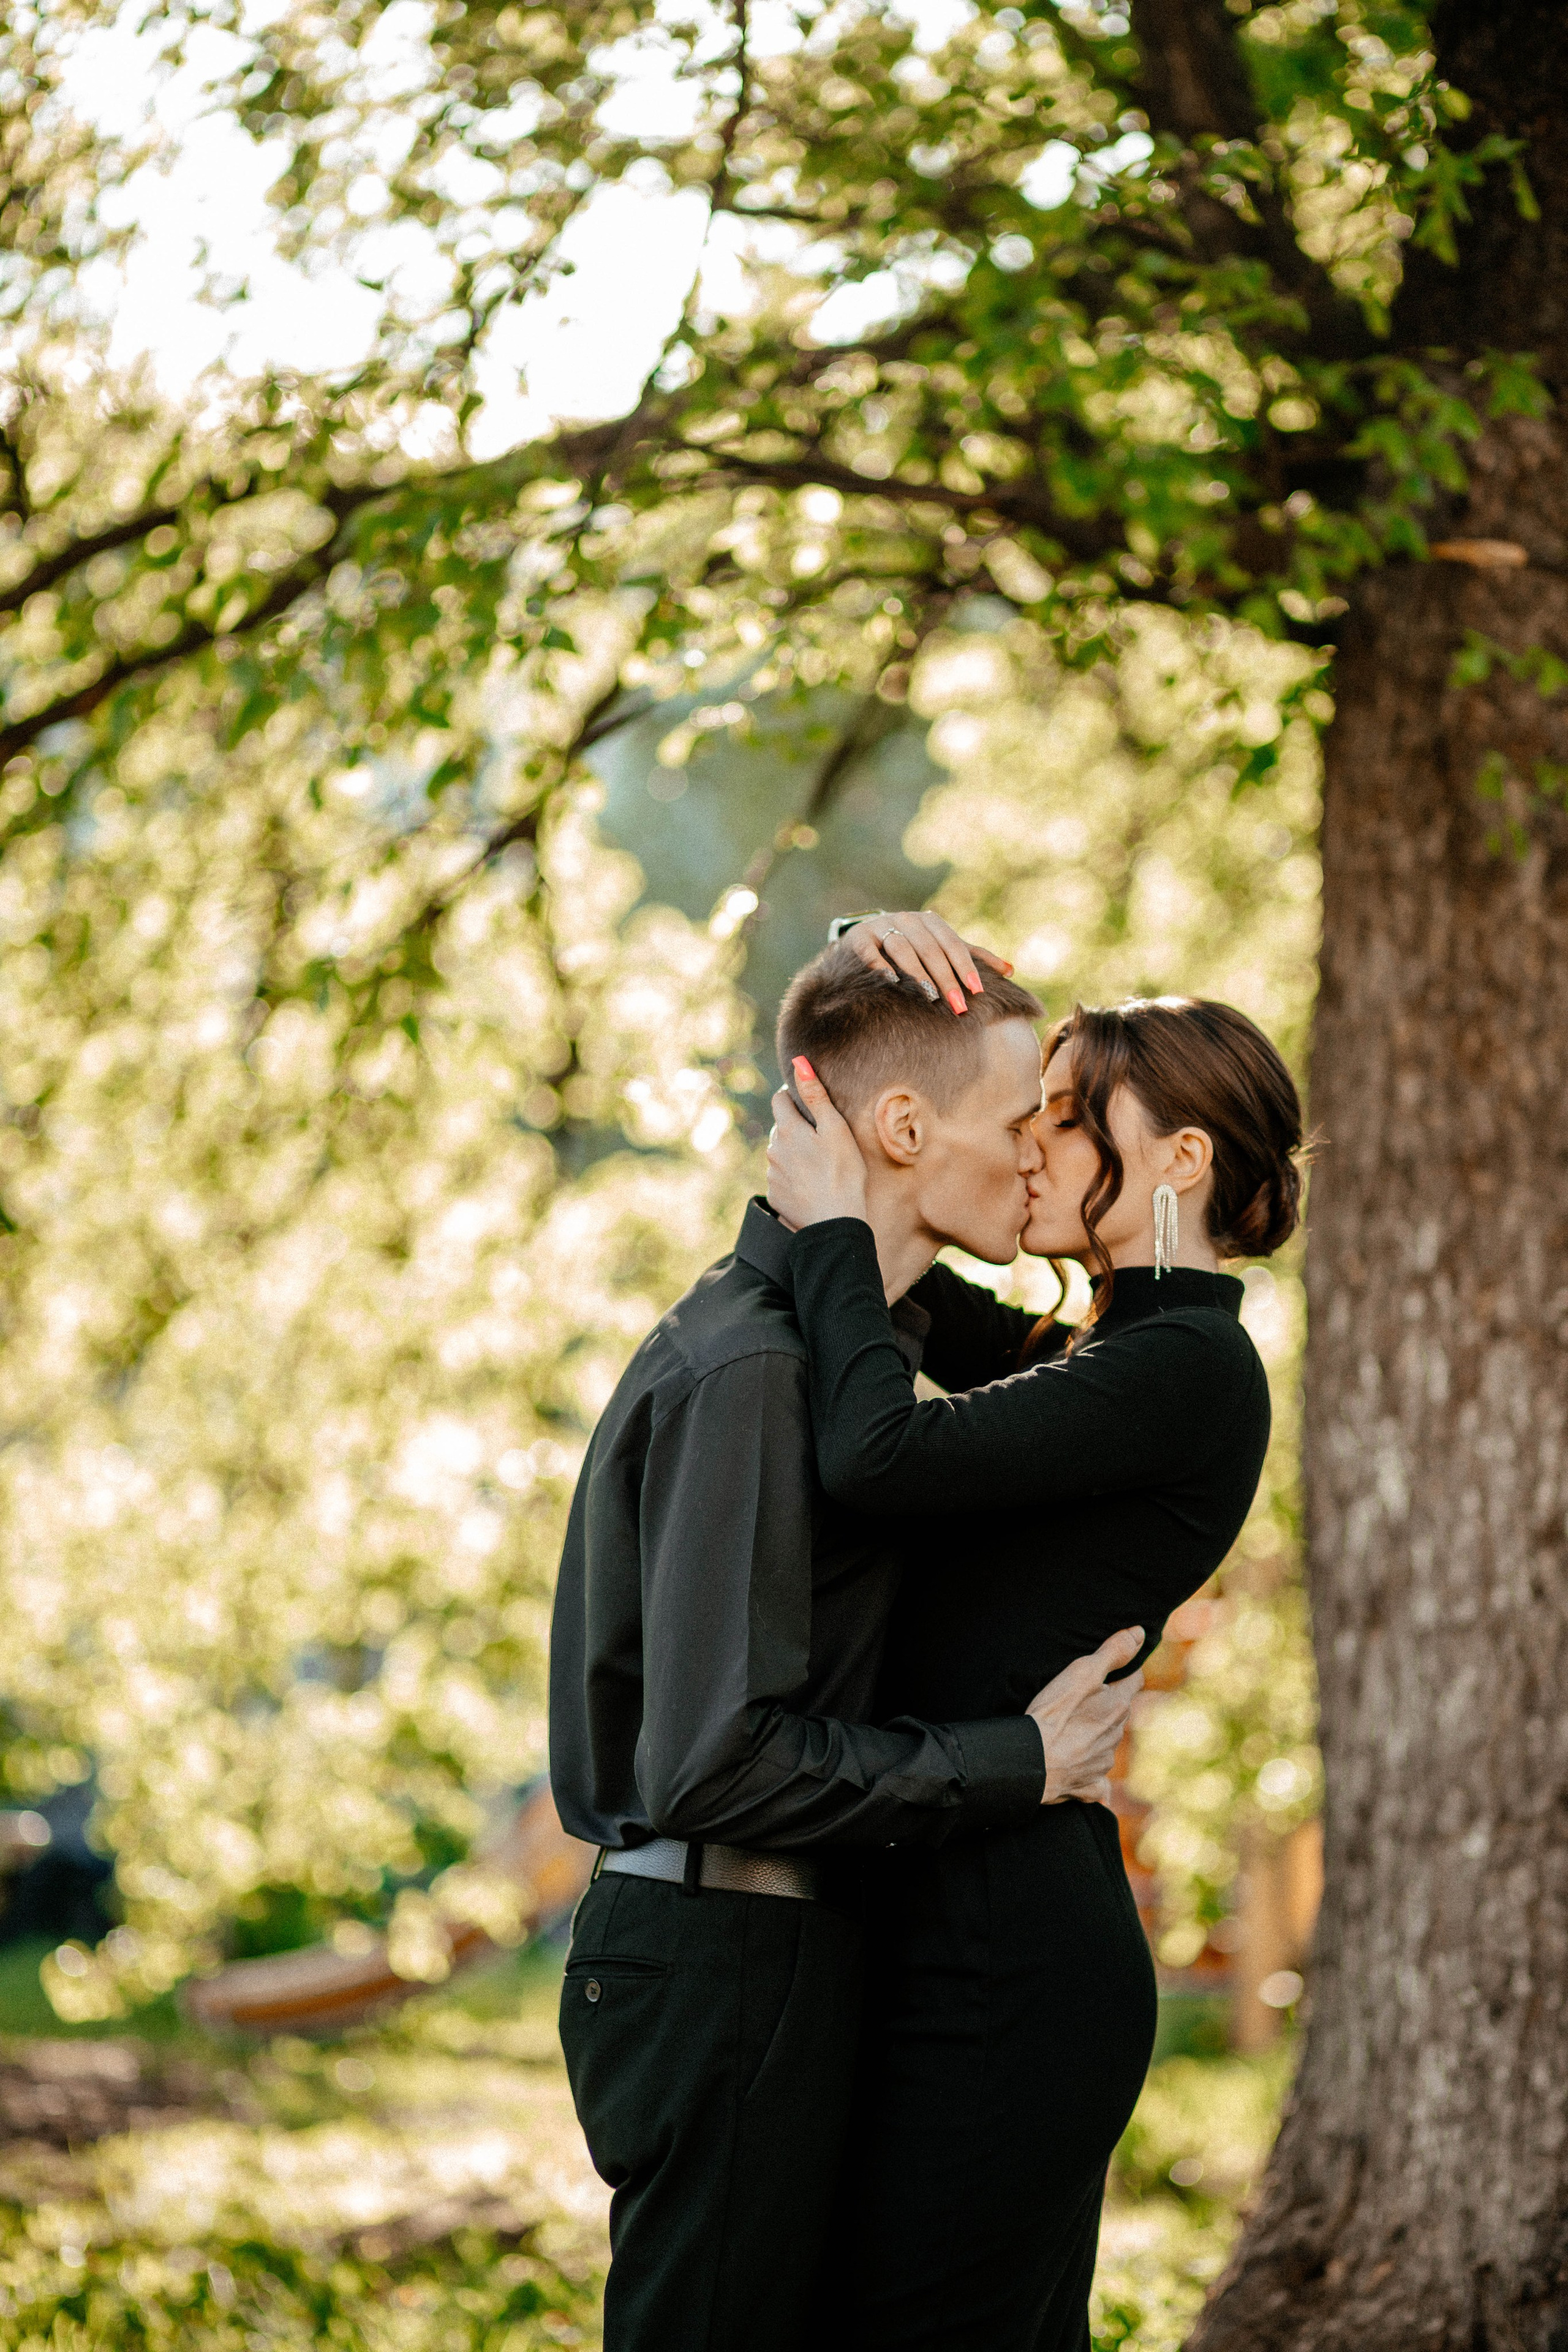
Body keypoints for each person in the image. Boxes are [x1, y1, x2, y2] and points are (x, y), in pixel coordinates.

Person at [548, 946, 1146, 2352]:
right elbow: (711, 1764)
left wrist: (855, 958)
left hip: (784, 1946)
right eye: (1017, 1124)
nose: (1034, 1160)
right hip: (721, 1957)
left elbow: (1096, 1384)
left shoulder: (843, 1342)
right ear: (896, 1133)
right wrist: (1016, 1764)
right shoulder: (757, 1367)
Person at [766, 910, 1305, 2352]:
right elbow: (896, 1253)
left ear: (1179, 1160)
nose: (1030, 1147)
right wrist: (864, 978)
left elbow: (875, 1452)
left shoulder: (1186, 1368)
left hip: (1011, 1962)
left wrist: (835, 1220)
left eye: (1069, 1121)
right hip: (959, 1905)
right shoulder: (1110, 1349)